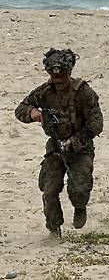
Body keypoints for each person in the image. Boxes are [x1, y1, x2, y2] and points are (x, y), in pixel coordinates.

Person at [14, 49, 103, 237]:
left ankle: (79, 207)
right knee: (49, 188)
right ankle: (54, 228)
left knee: (78, 189)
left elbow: (96, 123)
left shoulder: (83, 92)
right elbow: (21, 108)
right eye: (53, 75)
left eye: (61, 74)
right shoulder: (44, 92)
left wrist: (76, 140)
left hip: (80, 148)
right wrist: (32, 113)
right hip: (55, 147)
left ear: (69, 72)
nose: (58, 79)